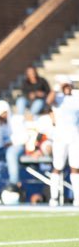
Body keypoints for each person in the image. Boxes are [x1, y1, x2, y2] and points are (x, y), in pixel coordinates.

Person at [46, 77, 79, 206]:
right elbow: (48, 101)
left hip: (75, 137)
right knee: (57, 166)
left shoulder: (76, 98)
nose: (67, 88)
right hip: (60, 136)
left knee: (75, 168)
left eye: (68, 86)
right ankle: (53, 197)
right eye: (65, 86)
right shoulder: (58, 98)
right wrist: (57, 88)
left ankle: (77, 198)